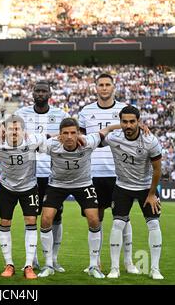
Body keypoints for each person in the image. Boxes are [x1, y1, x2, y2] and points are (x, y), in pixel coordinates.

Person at [38, 118, 116, 279]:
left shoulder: (89, 142)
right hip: (57, 185)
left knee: (94, 219)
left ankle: (94, 265)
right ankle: (48, 264)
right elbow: (31, 142)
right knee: (46, 219)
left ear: (79, 133)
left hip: (83, 184)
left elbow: (106, 130)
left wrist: (123, 125)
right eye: (65, 133)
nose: (69, 137)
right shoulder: (51, 144)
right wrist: (51, 136)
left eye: (73, 133)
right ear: (60, 135)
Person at [78, 73, 139, 274]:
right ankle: (94, 263)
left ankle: (128, 263)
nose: (104, 88)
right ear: (95, 88)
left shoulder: (124, 110)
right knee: (95, 218)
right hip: (92, 172)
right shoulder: (86, 112)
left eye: (107, 85)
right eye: (101, 85)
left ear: (114, 87)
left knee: (123, 218)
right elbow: (81, 141)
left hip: (119, 173)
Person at [0, 115, 45, 279]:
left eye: (17, 128)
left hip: (29, 187)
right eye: (11, 128)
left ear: (23, 130)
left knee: (31, 222)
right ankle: (9, 264)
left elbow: (50, 137)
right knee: (5, 222)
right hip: (7, 188)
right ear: (4, 130)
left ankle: (28, 265)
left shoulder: (33, 140)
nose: (14, 131)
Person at [103, 105, 164, 280]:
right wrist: (114, 127)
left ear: (139, 122)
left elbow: (158, 169)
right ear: (120, 122)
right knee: (117, 224)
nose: (128, 125)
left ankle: (155, 268)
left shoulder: (150, 140)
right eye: (124, 122)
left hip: (146, 188)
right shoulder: (114, 137)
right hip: (122, 186)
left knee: (153, 224)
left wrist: (152, 194)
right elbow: (102, 133)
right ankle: (115, 268)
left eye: (132, 122)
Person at [14, 80, 68, 272]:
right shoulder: (21, 114)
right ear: (32, 93)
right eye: (37, 90)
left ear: (50, 94)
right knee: (31, 217)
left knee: (55, 217)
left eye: (44, 91)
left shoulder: (61, 115)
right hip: (29, 175)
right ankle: (33, 258)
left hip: (53, 175)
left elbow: (68, 137)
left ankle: (53, 258)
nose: (40, 94)